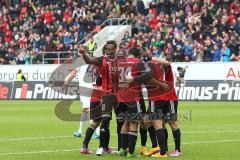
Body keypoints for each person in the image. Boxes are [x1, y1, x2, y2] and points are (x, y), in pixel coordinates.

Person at [63, 65, 100, 139]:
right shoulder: (93, 61)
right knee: (84, 109)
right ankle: (79, 131)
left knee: (88, 109)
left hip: (85, 89)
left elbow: (73, 74)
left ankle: (98, 132)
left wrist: (65, 82)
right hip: (94, 87)